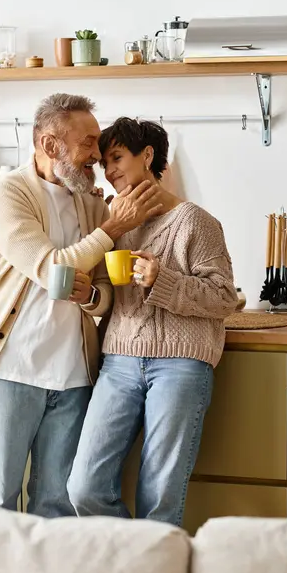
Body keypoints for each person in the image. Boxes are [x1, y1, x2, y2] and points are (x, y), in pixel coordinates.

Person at [0, 97, 163, 517]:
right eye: (88, 143)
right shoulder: (6, 194)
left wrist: (92, 298)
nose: (96, 154)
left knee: (56, 504)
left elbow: (101, 290)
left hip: (73, 377)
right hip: (11, 370)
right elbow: (50, 266)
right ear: (50, 144)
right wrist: (113, 228)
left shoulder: (90, 202)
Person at [68, 117, 238, 526]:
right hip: (119, 362)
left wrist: (162, 280)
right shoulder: (111, 221)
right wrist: (91, 296)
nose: (109, 171)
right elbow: (108, 297)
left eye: (117, 157)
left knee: (159, 495)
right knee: (83, 487)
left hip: (181, 366)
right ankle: (134, 556)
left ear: (147, 156)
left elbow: (223, 298)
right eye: (104, 162)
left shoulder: (195, 221)